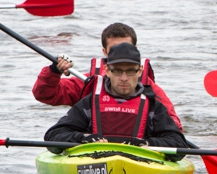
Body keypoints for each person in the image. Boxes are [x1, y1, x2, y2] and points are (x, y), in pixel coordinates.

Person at [33, 23, 183, 130]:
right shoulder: (88, 83)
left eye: (126, 48)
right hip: (95, 148)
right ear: (105, 52)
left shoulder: (150, 90)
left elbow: (174, 125)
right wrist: (54, 71)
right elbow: (45, 94)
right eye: (114, 50)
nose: (121, 53)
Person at [44, 43, 188, 148]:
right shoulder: (89, 104)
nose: (124, 78)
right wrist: (83, 138)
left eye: (130, 71)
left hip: (139, 163)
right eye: (118, 71)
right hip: (96, 163)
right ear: (107, 70)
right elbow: (53, 135)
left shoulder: (153, 106)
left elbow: (178, 142)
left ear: (140, 71)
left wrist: (147, 143)